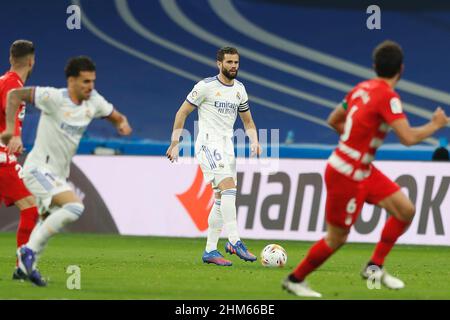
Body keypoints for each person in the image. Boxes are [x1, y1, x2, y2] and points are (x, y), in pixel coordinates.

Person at [282, 40, 450, 297]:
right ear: (401, 69)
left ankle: (375, 267)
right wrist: (435, 125)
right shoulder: (389, 97)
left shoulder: (360, 89)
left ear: (374, 66)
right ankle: (295, 279)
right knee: (337, 237)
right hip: (346, 173)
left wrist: (354, 143)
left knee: (405, 210)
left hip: (360, 167)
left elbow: (333, 119)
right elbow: (407, 138)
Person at [1, 56, 132, 286]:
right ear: (71, 81)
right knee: (74, 206)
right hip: (37, 169)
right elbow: (15, 95)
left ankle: (25, 268)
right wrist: (13, 130)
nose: (90, 86)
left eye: (92, 81)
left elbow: (114, 115)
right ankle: (27, 253)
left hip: (57, 174)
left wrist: (121, 123)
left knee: (46, 219)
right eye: (85, 82)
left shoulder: (94, 101)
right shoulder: (53, 97)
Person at [166, 47, 261, 266]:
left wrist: (254, 140)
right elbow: (182, 112)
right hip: (208, 144)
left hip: (228, 147)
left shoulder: (240, 89)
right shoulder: (205, 87)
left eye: (236, 62)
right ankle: (235, 241)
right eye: (229, 62)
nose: (233, 66)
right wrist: (175, 142)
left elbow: (247, 121)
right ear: (219, 64)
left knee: (221, 197)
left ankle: (210, 250)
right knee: (229, 188)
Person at [0, 40, 39, 280]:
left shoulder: (3, 81)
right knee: (31, 207)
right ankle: (22, 268)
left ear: (10, 58)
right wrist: (13, 135)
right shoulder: (13, 85)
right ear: (31, 61)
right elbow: (10, 109)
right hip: (2, 159)